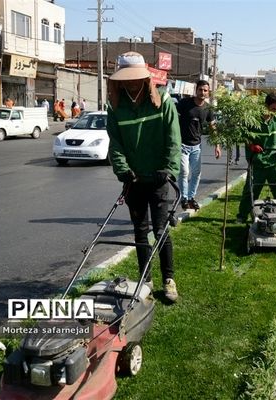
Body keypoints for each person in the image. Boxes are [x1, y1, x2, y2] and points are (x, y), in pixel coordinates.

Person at [107, 51, 181, 302]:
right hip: (134, 181)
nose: (130, 82)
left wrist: (169, 169)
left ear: (145, 77)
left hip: (159, 179)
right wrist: (122, 170)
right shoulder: (116, 107)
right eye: (125, 78)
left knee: (160, 231)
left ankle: (168, 279)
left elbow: (173, 139)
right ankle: (145, 279)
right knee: (140, 230)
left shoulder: (163, 101)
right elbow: (115, 143)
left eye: (134, 78)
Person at [236, 92, 276, 223]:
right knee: (251, 190)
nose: (275, 112)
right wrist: (252, 145)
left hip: (273, 162)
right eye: (273, 109)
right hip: (257, 161)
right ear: (266, 106)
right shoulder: (253, 120)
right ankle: (242, 216)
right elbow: (244, 135)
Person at [176, 80, 221, 210]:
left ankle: (191, 198)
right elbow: (173, 119)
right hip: (182, 144)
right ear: (196, 90)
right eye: (200, 90)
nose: (202, 92)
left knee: (196, 173)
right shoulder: (184, 103)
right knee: (184, 172)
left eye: (205, 90)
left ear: (208, 92)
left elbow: (213, 127)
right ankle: (184, 198)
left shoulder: (207, 109)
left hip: (197, 146)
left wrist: (217, 145)